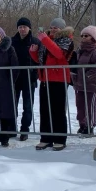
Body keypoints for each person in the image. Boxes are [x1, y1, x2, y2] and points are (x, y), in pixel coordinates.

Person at [30, 18, 74, 151]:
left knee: (58, 111)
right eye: (52, 27)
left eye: (56, 27)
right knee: (44, 110)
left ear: (62, 29)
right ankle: (46, 138)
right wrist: (33, 52)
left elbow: (59, 54)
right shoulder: (46, 40)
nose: (53, 29)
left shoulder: (67, 40)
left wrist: (45, 40)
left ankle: (60, 139)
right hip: (45, 79)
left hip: (59, 79)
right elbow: (41, 60)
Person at [11, 17, 41, 141]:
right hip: (15, 78)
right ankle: (12, 128)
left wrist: (36, 73)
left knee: (27, 106)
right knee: (12, 105)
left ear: (29, 28)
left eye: (24, 27)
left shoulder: (35, 41)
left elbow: (40, 59)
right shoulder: (11, 41)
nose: (22, 29)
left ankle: (25, 129)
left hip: (29, 78)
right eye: (20, 27)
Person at [72, 26, 96, 136]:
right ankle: (82, 125)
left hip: (92, 84)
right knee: (80, 105)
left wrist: (87, 76)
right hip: (80, 83)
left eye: (87, 36)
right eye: (82, 36)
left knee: (90, 105)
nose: (84, 38)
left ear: (93, 37)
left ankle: (90, 126)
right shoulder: (80, 49)